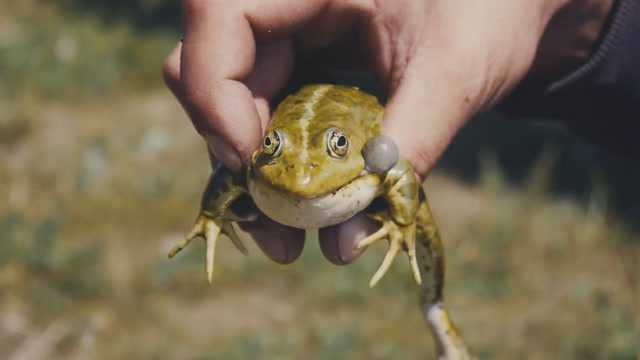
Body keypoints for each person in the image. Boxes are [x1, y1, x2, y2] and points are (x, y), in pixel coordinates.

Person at [163, 0, 639, 265]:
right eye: (272, 146)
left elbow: (401, 174)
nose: (297, 171)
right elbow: (232, 172)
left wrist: (401, 219)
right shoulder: (260, 165)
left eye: (338, 148)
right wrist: (211, 216)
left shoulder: (378, 152)